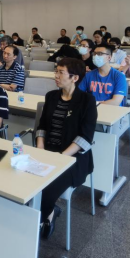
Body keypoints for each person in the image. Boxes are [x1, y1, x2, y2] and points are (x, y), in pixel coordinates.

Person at [36, 58, 97, 239]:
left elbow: (85, 138)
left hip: (72, 159)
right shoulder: (51, 96)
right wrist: (40, 149)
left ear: (74, 78)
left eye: (60, 72)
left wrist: (61, 157)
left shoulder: (87, 100)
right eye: (56, 71)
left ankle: (43, 217)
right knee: (23, 183)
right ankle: (46, 213)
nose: (56, 75)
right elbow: (42, 126)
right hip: (47, 152)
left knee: (45, 192)